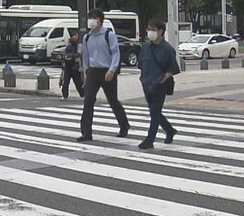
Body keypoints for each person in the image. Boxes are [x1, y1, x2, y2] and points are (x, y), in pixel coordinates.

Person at [78, 8, 130, 142]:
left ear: (101, 21)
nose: (92, 21)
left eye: (95, 18)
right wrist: (86, 72)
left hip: (107, 71)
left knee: (113, 100)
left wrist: (112, 70)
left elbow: (115, 53)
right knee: (88, 100)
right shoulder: (87, 37)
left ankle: (124, 125)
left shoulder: (109, 35)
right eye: (90, 18)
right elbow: (86, 56)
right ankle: (86, 132)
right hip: (93, 72)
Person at [137, 20, 180, 149]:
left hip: (159, 85)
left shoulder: (167, 49)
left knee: (155, 111)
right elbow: (141, 64)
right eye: (149, 28)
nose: (150, 31)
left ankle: (150, 140)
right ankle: (169, 130)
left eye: (153, 29)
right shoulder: (145, 47)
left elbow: (172, 68)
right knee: (154, 111)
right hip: (146, 83)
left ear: (161, 31)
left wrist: (162, 79)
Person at [60, 30, 84, 101]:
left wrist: (71, 56)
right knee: (66, 82)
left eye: (76, 35)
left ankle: (83, 95)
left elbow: (79, 54)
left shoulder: (79, 45)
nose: (75, 37)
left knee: (78, 82)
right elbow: (65, 54)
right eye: (74, 35)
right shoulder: (68, 45)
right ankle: (65, 95)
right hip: (68, 66)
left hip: (75, 66)